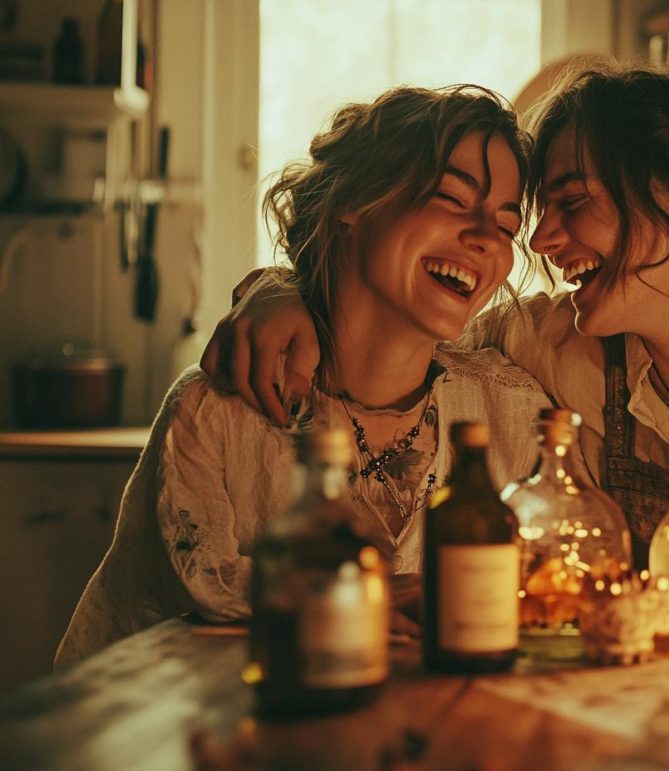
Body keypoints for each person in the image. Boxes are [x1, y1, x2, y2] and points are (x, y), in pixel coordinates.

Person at [201, 63, 669, 631]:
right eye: (540, 213)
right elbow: (392, 319)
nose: (542, 242)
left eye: (573, 202)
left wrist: (607, 616)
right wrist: (278, 287)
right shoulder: (560, 349)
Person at [56, 85, 553, 666]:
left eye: (505, 223)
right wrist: (354, 599)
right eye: (449, 197)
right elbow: (201, 591)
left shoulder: (518, 417)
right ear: (355, 202)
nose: (486, 238)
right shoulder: (219, 411)